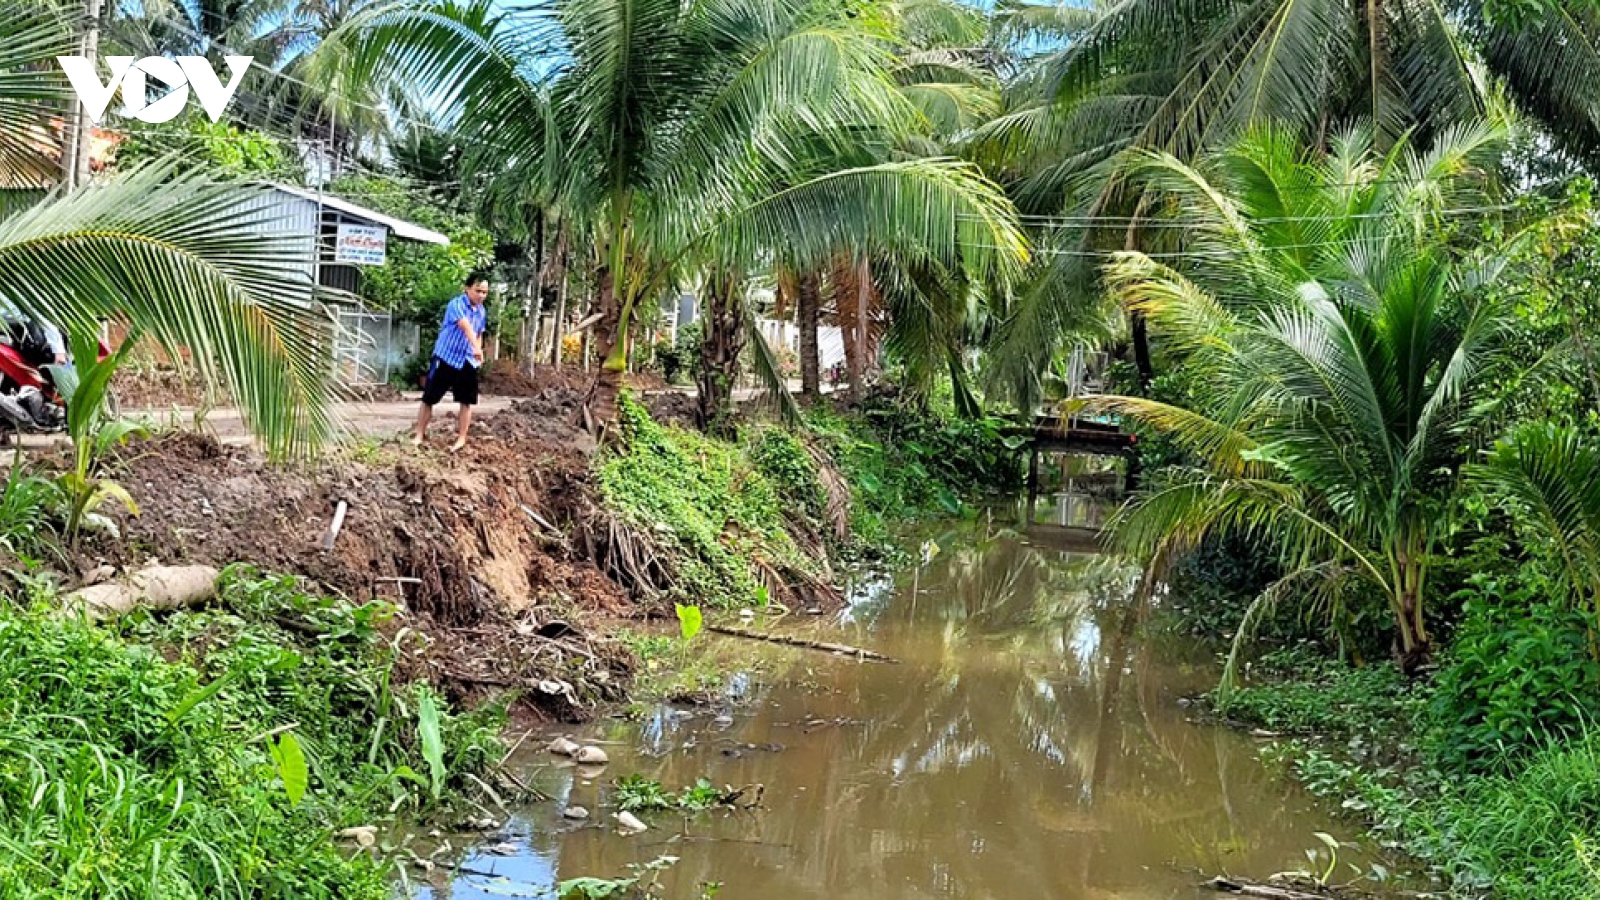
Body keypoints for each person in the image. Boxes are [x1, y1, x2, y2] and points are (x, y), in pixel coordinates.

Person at [413, 272, 490, 451]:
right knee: (429, 398)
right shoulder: (456, 305)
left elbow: (478, 333)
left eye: (485, 292)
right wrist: (476, 348)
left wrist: (477, 352)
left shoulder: (482, 311)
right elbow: (466, 326)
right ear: (467, 288)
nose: (481, 295)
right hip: (445, 356)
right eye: (478, 291)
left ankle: (461, 439)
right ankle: (419, 435)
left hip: (467, 360)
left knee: (466, 400)